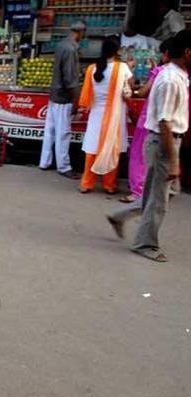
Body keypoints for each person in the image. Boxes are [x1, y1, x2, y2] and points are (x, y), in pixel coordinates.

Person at [106, 29, 191, 263]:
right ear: (187, 52)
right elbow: (165, 121)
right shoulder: (171, 80)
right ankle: (145, 243)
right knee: (159, 199)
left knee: (165, 192)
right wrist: (173, 160)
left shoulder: (178, 76)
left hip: (167, 140)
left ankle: (120, 215)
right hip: (163, 141)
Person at [78, 36, 134, 194]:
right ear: (117, 51)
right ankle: (109, 185)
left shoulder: (92, 69)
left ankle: (86, 183)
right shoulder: (122, 68)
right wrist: (131, 68)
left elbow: (87, 95)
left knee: (92, 148)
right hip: (115, 116)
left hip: (96, 113)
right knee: (112, 148)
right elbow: (131, 87)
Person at [121, 38, 172, 204]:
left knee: (138, 155)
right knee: (161, 157)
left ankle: (137, 192)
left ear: (165, 54)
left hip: (149, 119)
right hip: (169, 121)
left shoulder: (160, 72)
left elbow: (143, 92)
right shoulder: (181, 73)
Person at [39, 20, 87, 180]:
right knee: (63, 133)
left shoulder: (61, 45)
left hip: (55, 94)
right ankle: (64, 166)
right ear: (81, 32)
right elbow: (70, 78)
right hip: (63, 96)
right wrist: (75, 99)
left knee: (50, 131)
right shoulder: (71, 49)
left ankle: (45, 162)